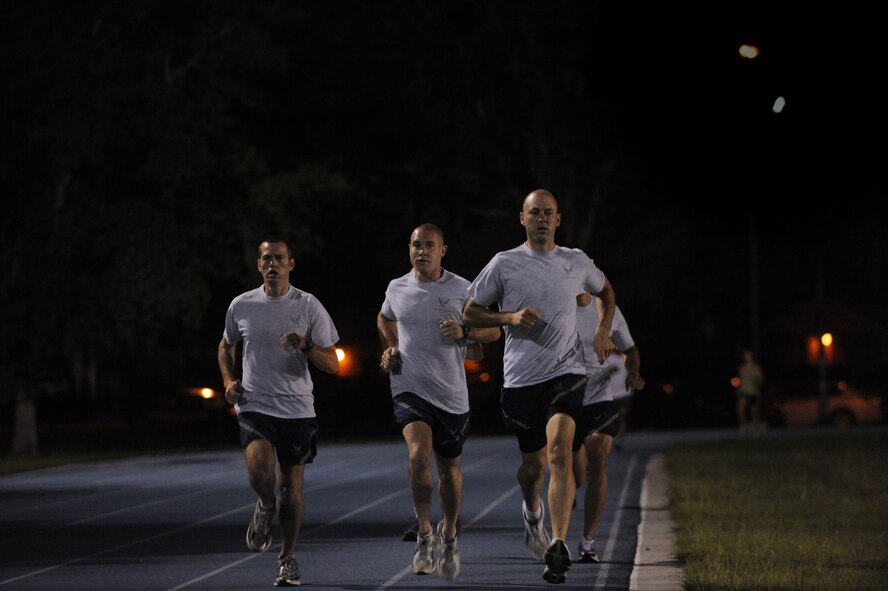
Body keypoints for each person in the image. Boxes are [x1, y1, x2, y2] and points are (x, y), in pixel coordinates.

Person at [463, 189, 617, 584]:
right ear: (523, 219)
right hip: (520, 381)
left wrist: (602, 329)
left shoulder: (575, 261)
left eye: (549, 213)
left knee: (561, 453)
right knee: (533, 467)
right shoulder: (505, 263)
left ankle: (559, 543)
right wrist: (510, 317)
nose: (542, 219)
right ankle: (533, 512)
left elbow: (606, 291)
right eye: (535, 213)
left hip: (567, 374)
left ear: (558, 220)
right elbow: (470, 311)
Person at [377, 223, 501, 580]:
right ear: (410, 248)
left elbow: (493, 329)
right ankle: (424, 533)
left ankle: (449, 535)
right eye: (417, 245)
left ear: (443, 250)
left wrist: (465, 331)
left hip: (451, 395)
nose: (422, 251)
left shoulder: (464, 288)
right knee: (418, 454)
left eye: (430, 245)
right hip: (409, 387)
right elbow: (385, 318)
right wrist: (391, 347)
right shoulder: (396, 287)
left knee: (449, 471)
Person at [217, 238, 340, 587]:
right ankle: (264, 504)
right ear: (258, 264)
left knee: (292, 487)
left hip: (298, 409)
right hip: (255, 404)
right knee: (260, 473)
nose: (273, 264)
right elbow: (226, 346)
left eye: (279, 259)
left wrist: (305, 345)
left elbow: (332, 365)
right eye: (266, 258)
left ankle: (287, 558)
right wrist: (228, 381)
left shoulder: (308, 305)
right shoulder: (241, 305)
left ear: (291, 264)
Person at [572, 293, 644, 564]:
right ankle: (559, 522)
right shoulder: (556, 304)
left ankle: (588, 542)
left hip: (599, 398)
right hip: (566, 399)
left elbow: (631, 351)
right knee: (576, 476)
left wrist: (633, 372)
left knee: (598, 459)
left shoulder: (608, 310)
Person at [736, 349, 765, 434]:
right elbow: (739, 380)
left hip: (753, 392)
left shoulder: (756, 367)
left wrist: (758, 380)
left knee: (754, 412)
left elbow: (761, 380)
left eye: (749, 355)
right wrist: (737, 386)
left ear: (752, 356)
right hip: (743, 391)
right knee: (740, 410)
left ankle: (756, 428)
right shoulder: (741, 368)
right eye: (746, 356)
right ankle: (743, 426)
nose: (747, 357)